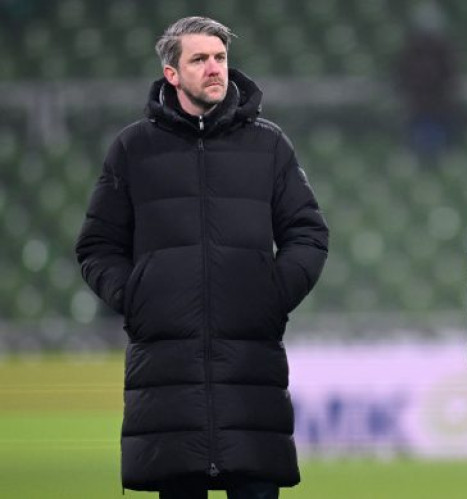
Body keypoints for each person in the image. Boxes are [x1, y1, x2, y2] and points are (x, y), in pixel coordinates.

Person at [75, 16, 329, 499]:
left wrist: (272, 295)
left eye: (220, 57)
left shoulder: (269, 144)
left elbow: (308, 233)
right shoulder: (132, 148)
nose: (215, 68)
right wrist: (138, 298)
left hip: (250, 373)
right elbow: (96, 246)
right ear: (171, 73)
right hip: (167, 377)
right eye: (200, 59)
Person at [394, 1, 460, 164]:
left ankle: (441, 156)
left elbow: (450, 76)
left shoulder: (443, 51)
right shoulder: (411, 51)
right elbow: (401, 75)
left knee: (440, 137)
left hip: (438, 105)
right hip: (417, 104)